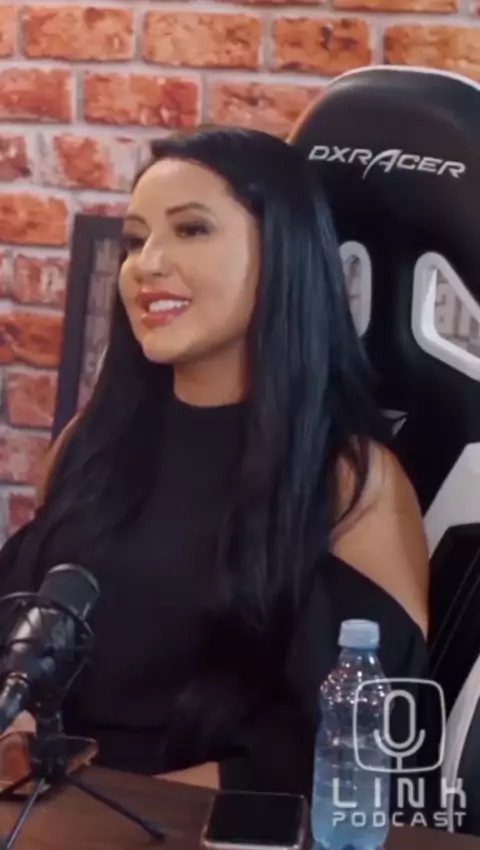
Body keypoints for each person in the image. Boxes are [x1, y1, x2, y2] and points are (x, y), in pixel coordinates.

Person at [0, 127, 429, 795]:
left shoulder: (354, 483)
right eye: (136, 240)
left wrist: (115, 811)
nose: (146, 264)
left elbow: (349, 744)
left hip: (212, 824)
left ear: (282, 252)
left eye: (191, 230)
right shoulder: (89, 443)